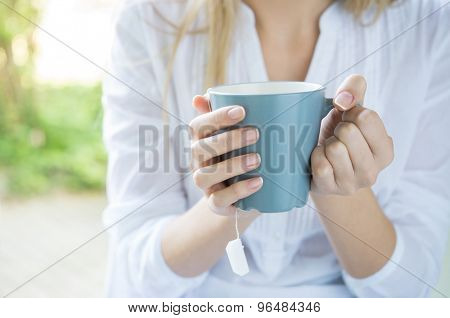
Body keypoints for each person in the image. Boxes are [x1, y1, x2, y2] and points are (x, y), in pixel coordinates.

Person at [102, 0, 450, 297]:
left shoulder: (428, 23)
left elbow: (411, 286)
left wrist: (338, 185)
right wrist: (233, 197)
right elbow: (136, 278)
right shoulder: (151, 19)